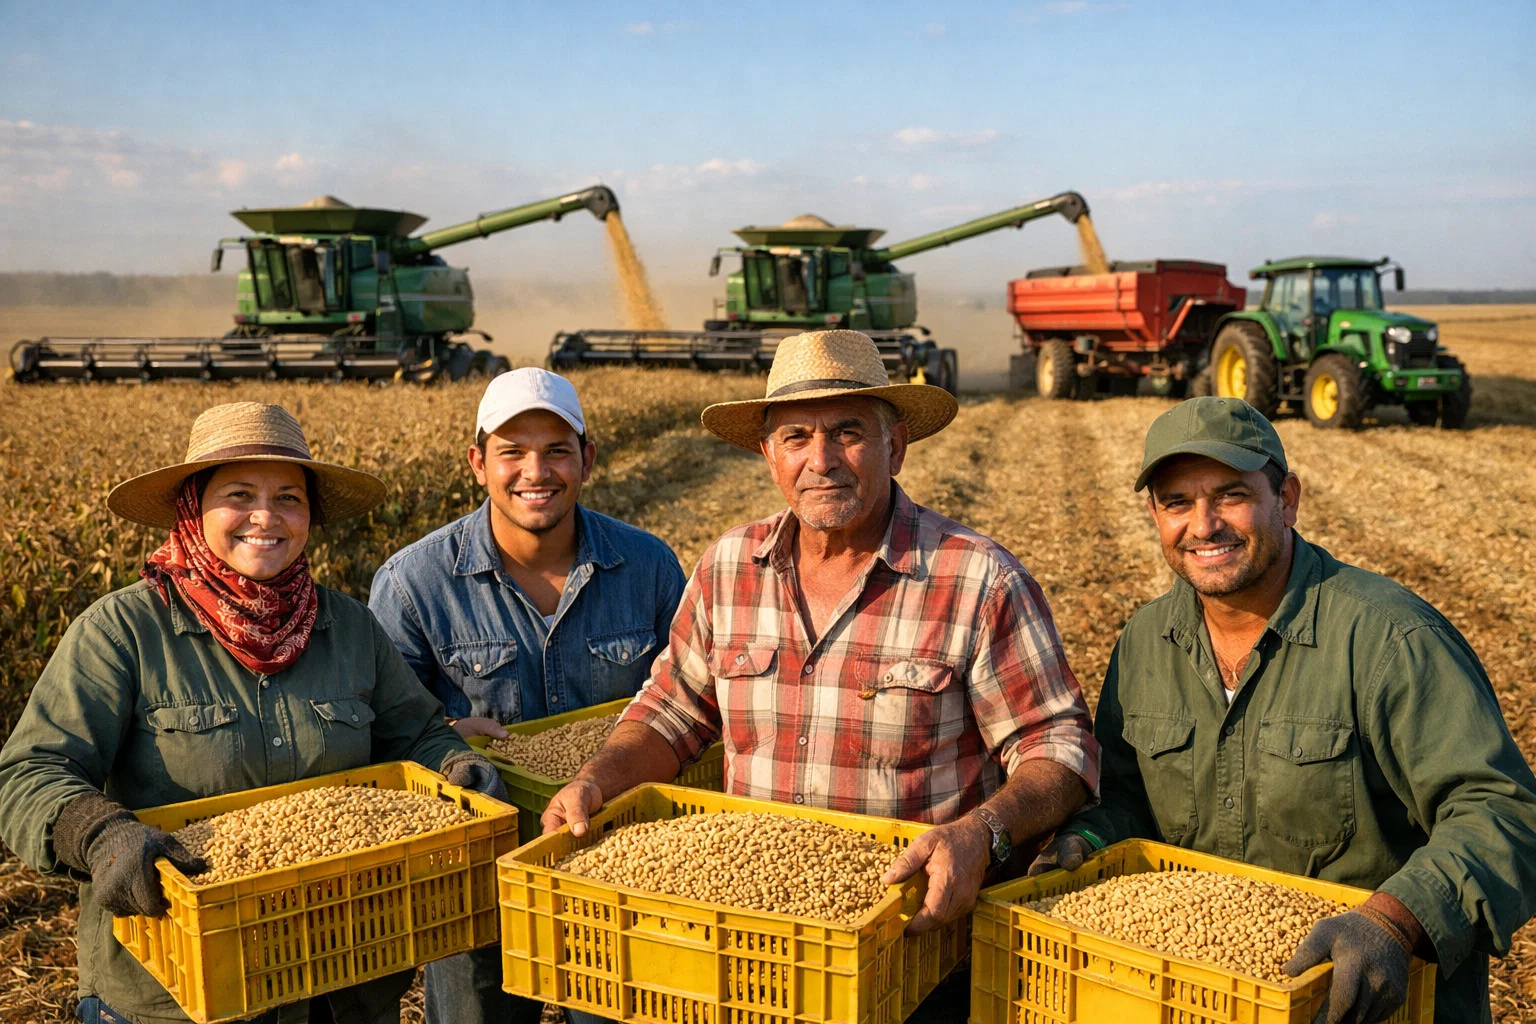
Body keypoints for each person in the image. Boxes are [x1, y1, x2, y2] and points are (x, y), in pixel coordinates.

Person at [543, 330, 1101, 1022]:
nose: (822, 460)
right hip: (747, 939)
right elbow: (673, 711)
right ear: (767, 452)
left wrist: (983, 834)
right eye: (797, 436)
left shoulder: (975, 577)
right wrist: (600, 777)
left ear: (895, 444)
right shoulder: (728, 567)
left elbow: (1061, 752)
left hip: (907, 951)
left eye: (848, 433)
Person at [1029, 396, 1536, 1024]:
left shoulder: (1390, 638)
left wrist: (1395, 921)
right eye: (1177, 502)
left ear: (1287, 499)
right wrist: (1090, 834)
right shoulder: (1146, 643)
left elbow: (1502, 812)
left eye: (1231, 495)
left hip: (1362, 1001)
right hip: (1205, 997)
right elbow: (1132, 797)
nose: (1204, 524)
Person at [0, 402, 505, 1024]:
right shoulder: (123, 631)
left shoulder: (348, 627)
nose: (266, 518)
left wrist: (451, 765)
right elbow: (29, 772)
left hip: (341, 974)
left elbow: (414, 732)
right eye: (239, 494)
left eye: (289, 498)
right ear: (195, 506)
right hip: (178, 987)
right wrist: (102, 834)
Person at [369, 368, 685, 1024]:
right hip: (477, 874)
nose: (535, 471)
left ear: (587, 460)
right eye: (512, 452)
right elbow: (383, 731)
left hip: (617, 864)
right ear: (477, 463)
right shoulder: (412, 583)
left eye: (556, 450)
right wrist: (439, 739)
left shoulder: (648, 566)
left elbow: (688, 700)